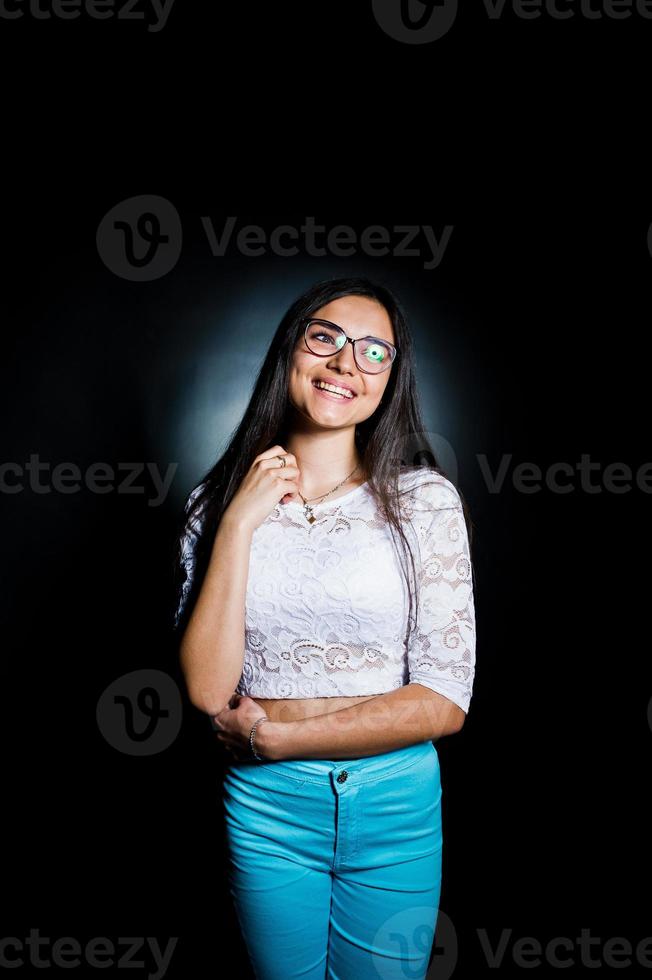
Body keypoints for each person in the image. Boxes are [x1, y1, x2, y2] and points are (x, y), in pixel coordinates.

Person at [172, 276, 477, 980]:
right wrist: (241, 520)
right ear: (291, 351)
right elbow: (206, 690)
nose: (347, 363)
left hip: (395, 803)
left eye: (375, 352)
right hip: (266, 812)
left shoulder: (425, 501)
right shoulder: (213, 505)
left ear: (389, 380)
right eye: (326, 338)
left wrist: (279, 739)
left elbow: (444, 700)